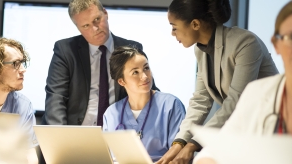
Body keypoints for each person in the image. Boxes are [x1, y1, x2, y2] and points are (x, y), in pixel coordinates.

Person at [157, 0, 279, 163]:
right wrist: (179, 143)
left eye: (174, 27)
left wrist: (192, 145)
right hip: (243, 129)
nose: (172, 33)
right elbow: (200, 100)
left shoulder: (245, 43)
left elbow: (235, 102)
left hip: (270, 130)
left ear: (195, 24)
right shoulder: (200, 50)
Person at [194, 1, 292, 163]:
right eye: (291, 37)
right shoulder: (257, 93)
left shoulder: (246, 43)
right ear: (276, 44)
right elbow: (218, 146)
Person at [42, 0, 158, 126]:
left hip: (119, 132)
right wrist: (59, 139)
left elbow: (147, 89)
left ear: (105, 13)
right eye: (86, 26)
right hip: (77, 132)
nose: (95, 29)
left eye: (97, 19)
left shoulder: (131, 48)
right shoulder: (65, 50)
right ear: (78, 28)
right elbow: (56, 97)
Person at [103, 46, 186, 162]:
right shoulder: (111, 113)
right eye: (135, 72)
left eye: (146, 68)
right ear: (121, 81)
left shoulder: (171, 105)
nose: (145, 76)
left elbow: (179, 155)